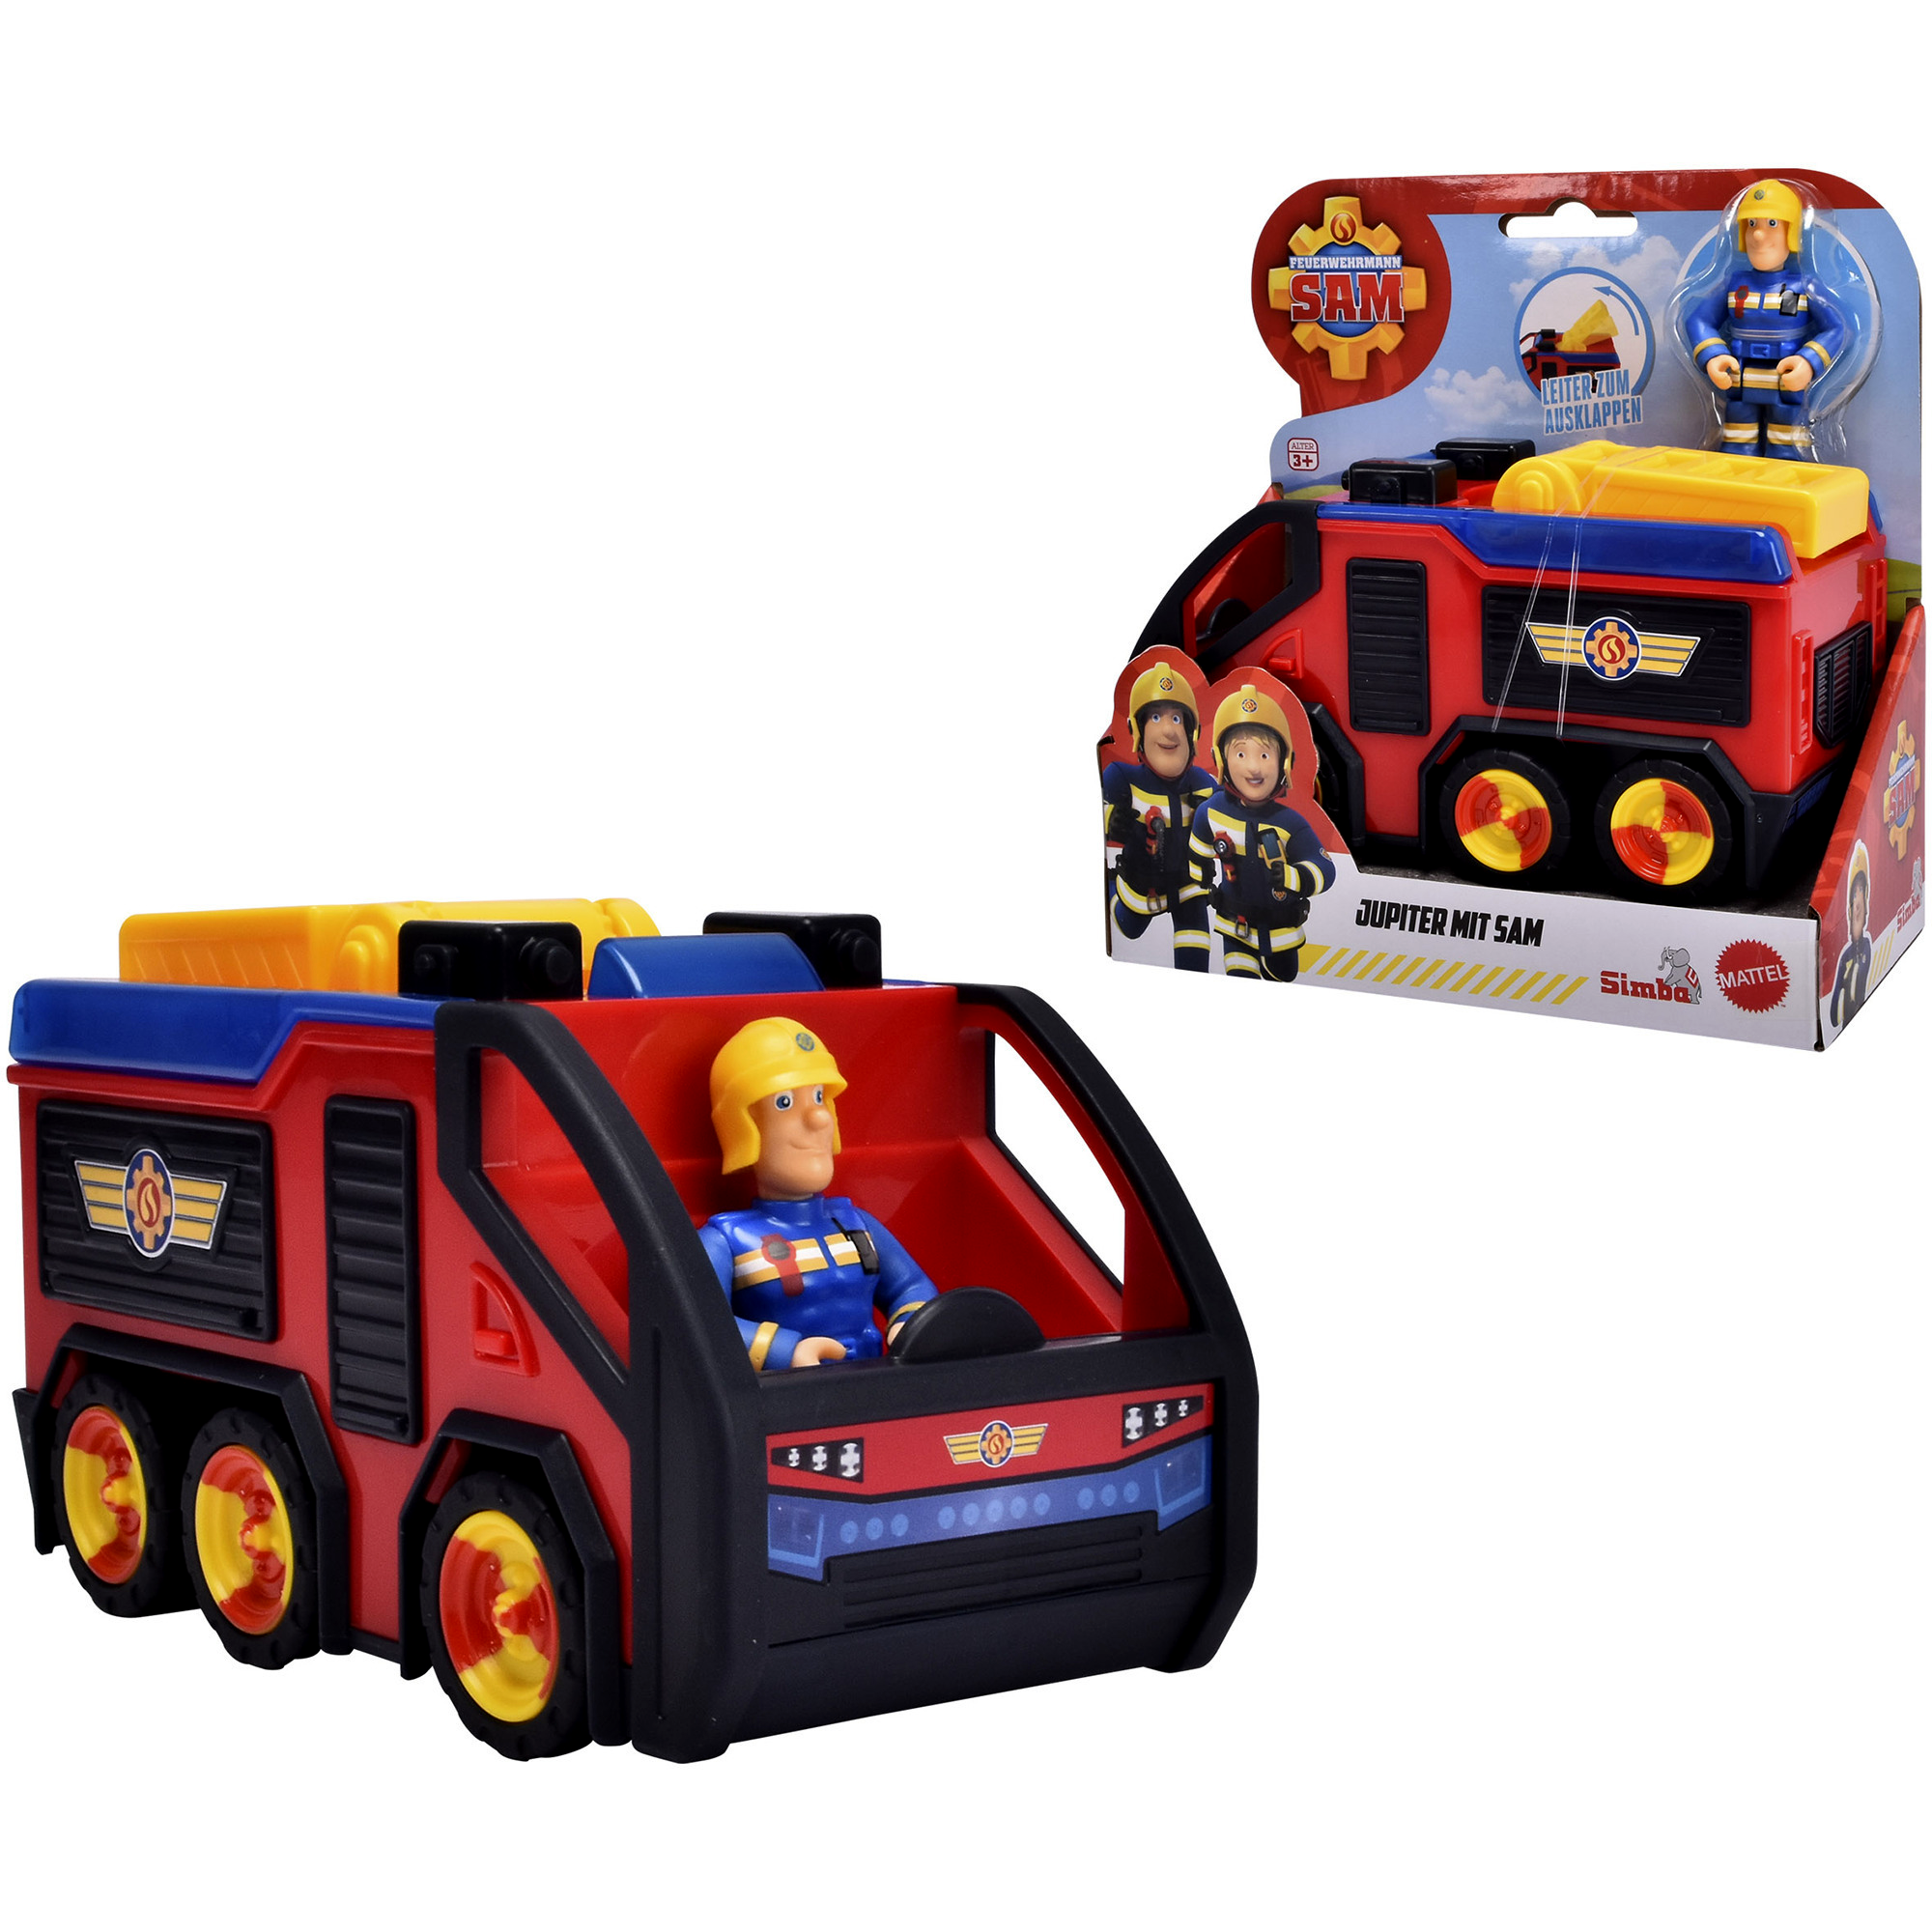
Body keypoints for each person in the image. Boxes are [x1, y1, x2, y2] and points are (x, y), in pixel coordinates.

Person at [698, 1017, 935, 1371]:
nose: (820, 1119)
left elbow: (911, 1285)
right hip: (788, 1397)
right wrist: (786, 1351)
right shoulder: (727, 1240)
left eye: (820, 1097)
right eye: (784, 1102)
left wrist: (909, 1322)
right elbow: (700, 1324)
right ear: (743, 1125)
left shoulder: (855, 1224)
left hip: (877, 1385)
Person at [1682, 179, 1847, 461]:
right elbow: (1698, 320)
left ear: (1791, 232)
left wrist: (1807, 362)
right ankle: (1737, 478)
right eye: (1751, 224)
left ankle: (1786, 476)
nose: (1758, 235)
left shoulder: (1804, 287)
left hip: (1785, 379)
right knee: (1737, 446)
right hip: (1741, 378)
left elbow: (1836, 328)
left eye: (1771, 224)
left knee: (1786, 447)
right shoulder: (1734, 284)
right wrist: (1714, 356)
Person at [1190, 682, 1334, 982]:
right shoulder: (1210, 812)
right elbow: (1198, 854)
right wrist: (1197, 885)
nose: (1254, 768)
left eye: (1265, 755)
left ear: (1285, 762)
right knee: (1241, 979)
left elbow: (1325, 869)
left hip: (1282, 931)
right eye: (1241, 754)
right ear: (1221, 760)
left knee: (1284, 977)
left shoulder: (1290, 823)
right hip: (1234, 925)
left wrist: (1293, 877)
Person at [1102, 659, 1217, 970]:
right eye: (1156, 717)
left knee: (1196, 953)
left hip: (1188, 886)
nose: (1168, 730)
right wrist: (1111, 820)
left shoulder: (1205, 784)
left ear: (1192, 731)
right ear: (1137, 730)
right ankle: (1112, 888)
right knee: (1128, 927)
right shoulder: (1121, 776)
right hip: (1140, 886)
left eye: (1177, 718)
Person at [1830, 841, 1874, 1029]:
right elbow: (1833, 1012)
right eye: (1854, 895)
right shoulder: (1845, 957)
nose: (1857, 904)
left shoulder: (1866, 948)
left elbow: (1862, 980)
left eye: (1860, 891)